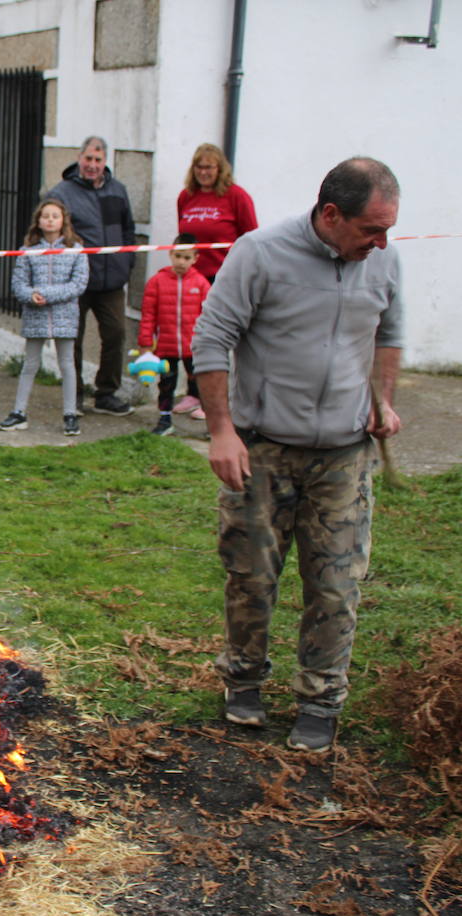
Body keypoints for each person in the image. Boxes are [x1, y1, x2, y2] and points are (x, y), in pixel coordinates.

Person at [191, 157, 403, 754]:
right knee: (252, 575)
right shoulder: (259, 254)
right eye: (370, 229)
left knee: (336, 582)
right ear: (330, 215)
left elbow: (389, 331)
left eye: (388, 229)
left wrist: (383, 400)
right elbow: (213, 339)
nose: (382, 242)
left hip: (343, 455)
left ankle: (320, 699)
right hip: (264, 452)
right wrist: (222, 431)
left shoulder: (383, 259)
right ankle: (244, 682)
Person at [45, 137, 136, 417]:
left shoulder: (118, 191)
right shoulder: (61, 193)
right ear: (79, 158)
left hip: (111, 282)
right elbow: (52, 236)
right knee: (72, 338)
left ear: (105, 161)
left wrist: (126, 263)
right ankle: (74, 395)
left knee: (116, 334)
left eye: (98, 160)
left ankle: (106, 393)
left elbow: (128, 231)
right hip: (76, 282)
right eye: (88, 159)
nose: (93, 165)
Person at [175, 143, 258, 415]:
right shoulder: (186, 197)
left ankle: (222, 399)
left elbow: (252, 238)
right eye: (199, 167)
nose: (204, 172)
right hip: (193, 277)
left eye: (209, 167)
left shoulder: (236, 197)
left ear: (219, 169)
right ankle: (194, 393)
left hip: (224, 277)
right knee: (194, 336)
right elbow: (184, 239)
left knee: (221, 337)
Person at [0, 198, 88, 437]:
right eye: (45, 215)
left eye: (55, 216)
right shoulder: (27, 252)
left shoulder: (76, 250)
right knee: (30, 364)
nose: (50, 220)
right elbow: (18, 284)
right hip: (35, 316)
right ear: (38, 221)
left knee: (67, 364)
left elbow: (78, 284)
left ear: (63, 221)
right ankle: (19, 413)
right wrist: (31, 295)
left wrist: (46, 294)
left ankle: (70, 414)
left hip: (65, 316)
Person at [138, 234, 210, 436]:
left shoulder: (202, 284)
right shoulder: (156, 282)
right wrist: (145, 345)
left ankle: (213, 425)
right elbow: (148, 316)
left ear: (195, 258)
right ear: (170, 254)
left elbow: (209, 316)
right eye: (178, 256)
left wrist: (206, 343)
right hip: (166, 347)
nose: (181, 262)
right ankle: (165, 419)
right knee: (166, 385)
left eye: (187, 258)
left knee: (203, 383)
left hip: (194, 347)